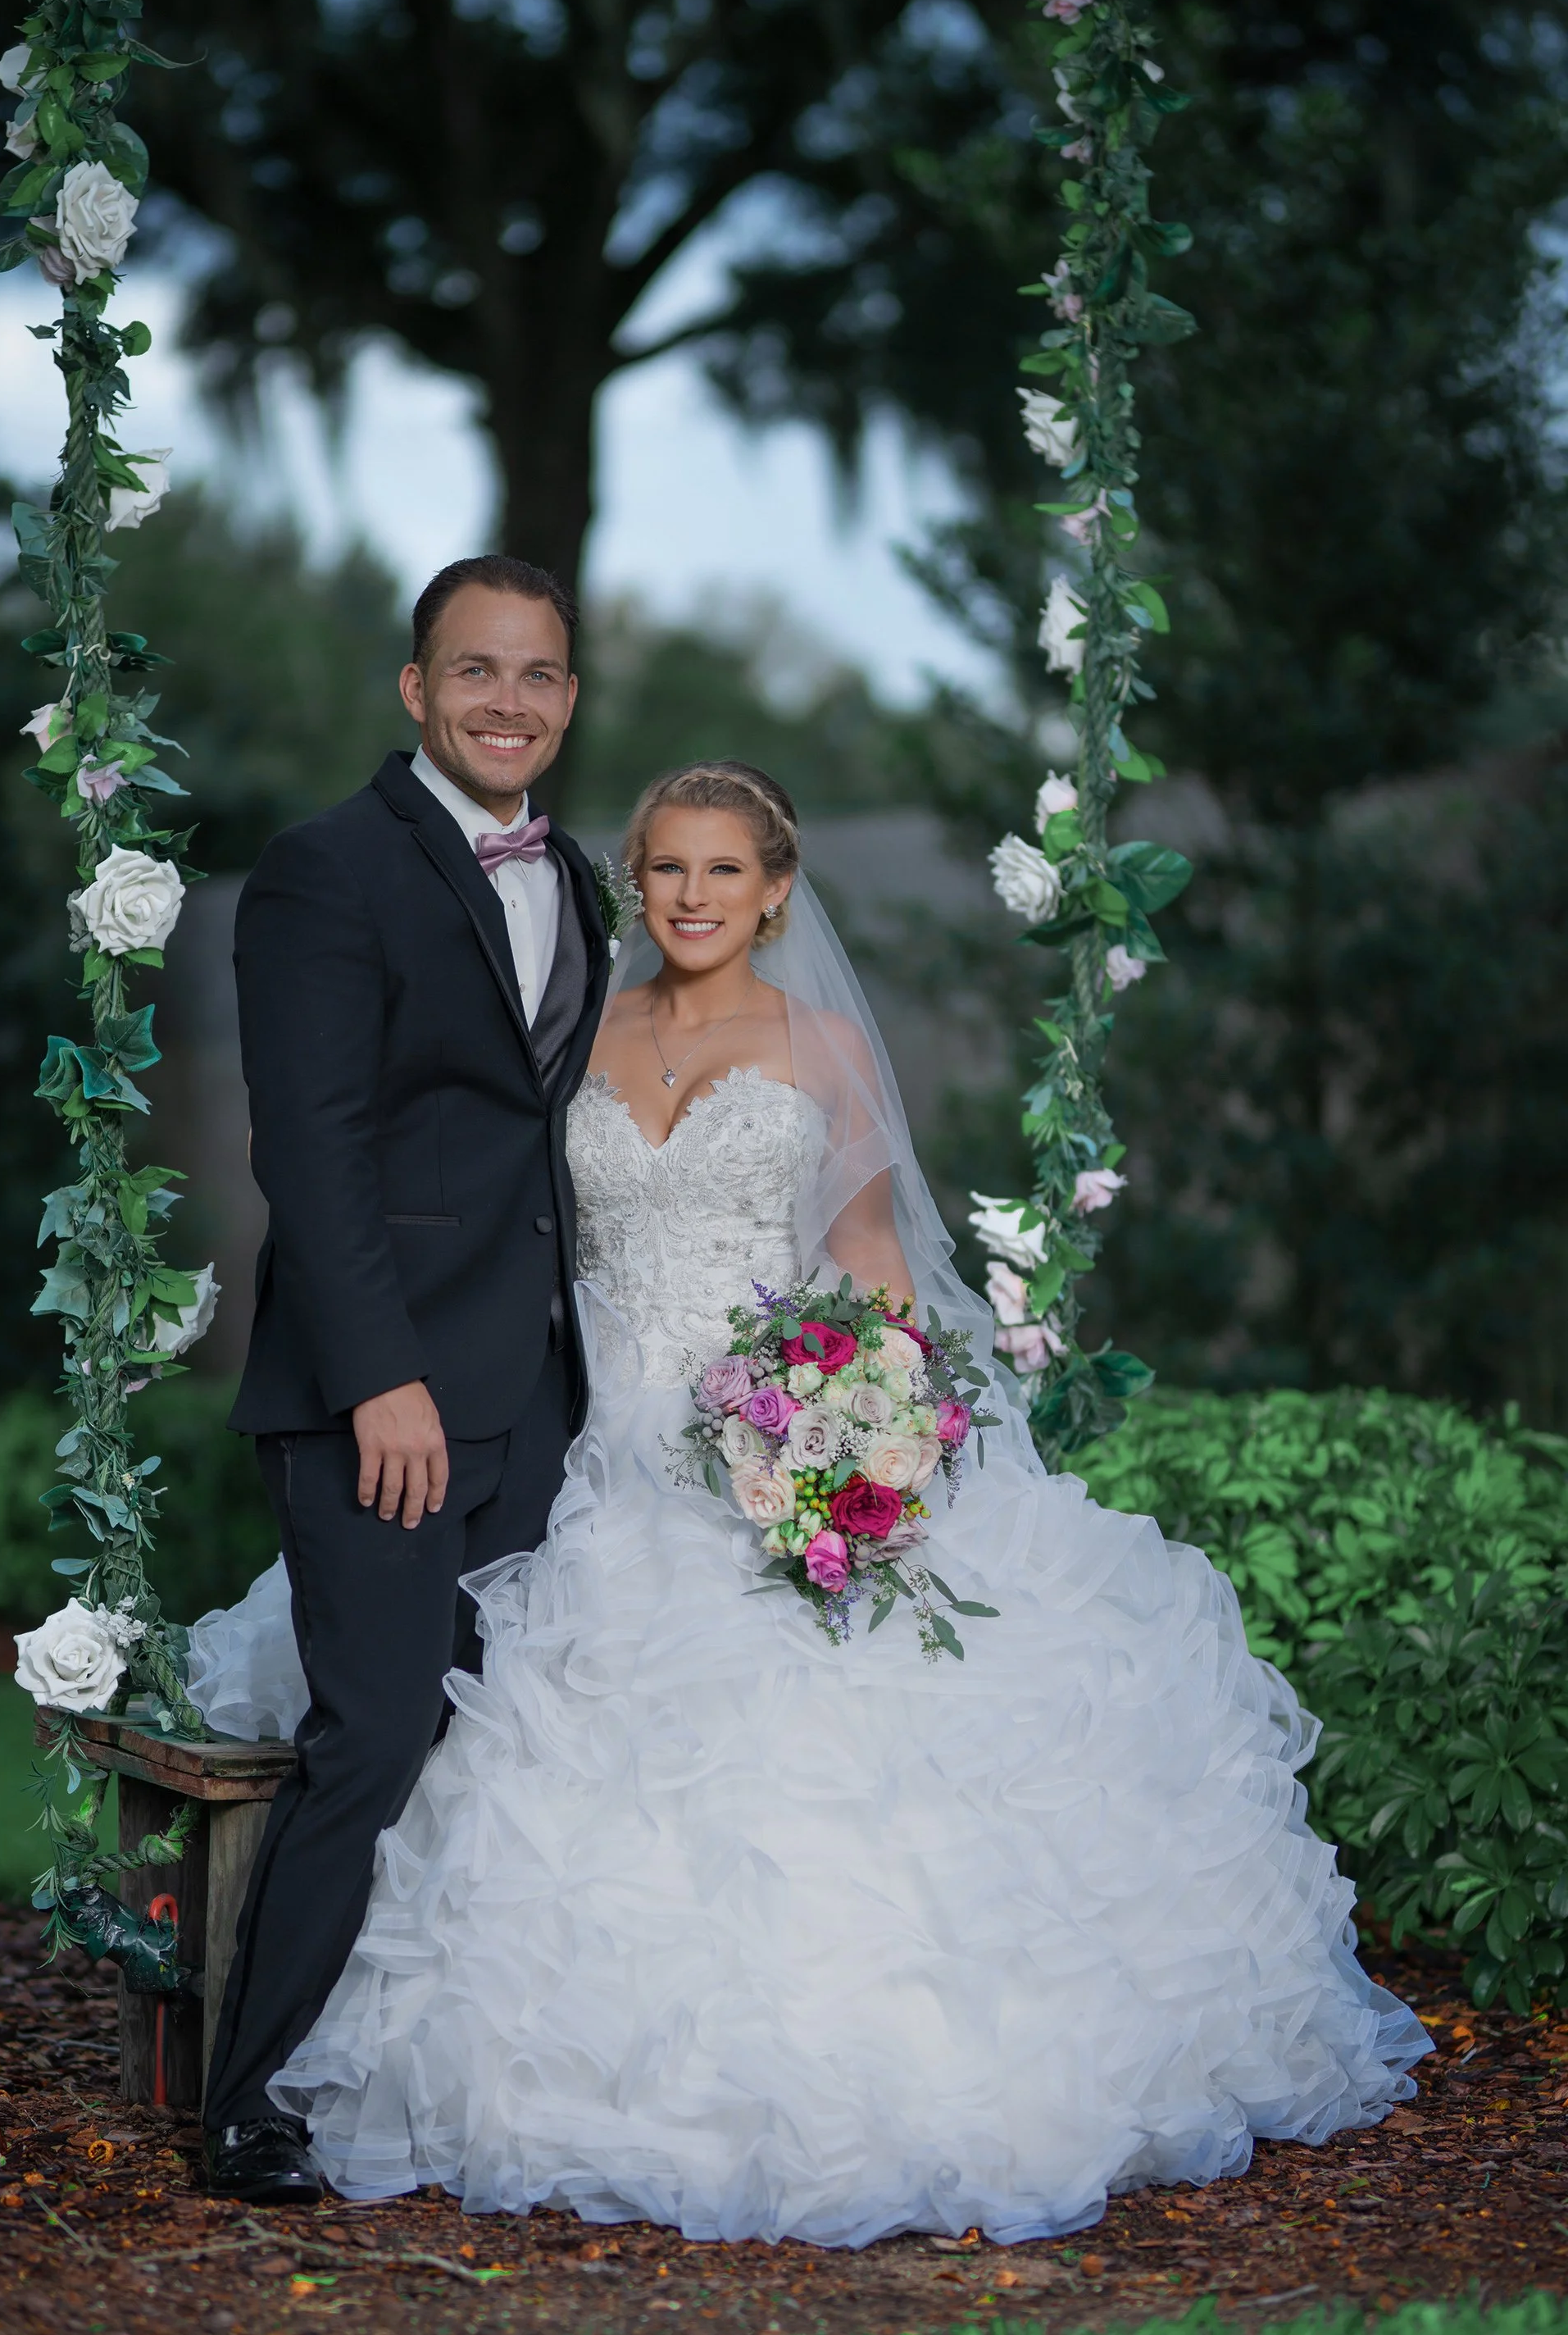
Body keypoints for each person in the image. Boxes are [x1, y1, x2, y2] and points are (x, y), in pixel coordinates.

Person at [191, 759, 1428, 2246]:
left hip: (763, 1431)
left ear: (776, 890)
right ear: (631, 887)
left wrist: (862, 1431)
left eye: (725, 871)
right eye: (666, 870)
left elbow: (872, 1259)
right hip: (582, 1445)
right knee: (481, 1717)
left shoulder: (821, 1042)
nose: (694, 897)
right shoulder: (574, 1032)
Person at [198, 555, 613, 2201]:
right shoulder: (325, 873)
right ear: (414, 688)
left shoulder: (575, 878)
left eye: (539, 675)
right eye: (475, 670)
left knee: (502, 1737)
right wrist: (381, 1378)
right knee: (371, 1733)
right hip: (382, 1398)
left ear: (569, 699)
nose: (508, 701)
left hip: (541, 1389)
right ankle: (248, 2100)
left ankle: (466, 2068)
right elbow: (309, 1144)